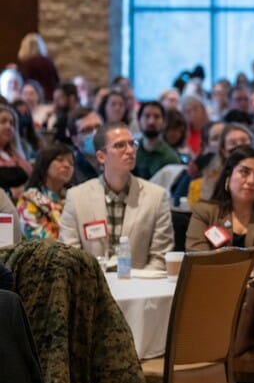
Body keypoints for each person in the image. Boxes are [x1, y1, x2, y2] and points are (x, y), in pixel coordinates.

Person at [59, 122, 173, 269]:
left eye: (132, 144)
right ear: (101, 157)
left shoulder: (156, 197)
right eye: (120, 145)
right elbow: (70, 258)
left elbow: (160, 258)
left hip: (141, 288)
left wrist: (136, 288)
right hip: (91, 288)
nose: (130, 150)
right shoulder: (76, 197)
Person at [185, 145, 254, 280]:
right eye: (244, 172)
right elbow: (197, 257)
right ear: (228, 177)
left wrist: (244, 279)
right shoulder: (205, 212)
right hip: (211, 287)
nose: (251, 181)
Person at [17, 144, 74, 239]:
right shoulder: (29, 199)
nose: (67, 165)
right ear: (45, 164)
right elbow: (38, 241)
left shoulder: (74, 197)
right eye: (60, 160)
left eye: (71, 163)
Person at [133, 101, 183, 180]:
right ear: (139, 121)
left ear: (164, 123)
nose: (151, 122)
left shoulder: (171, 158)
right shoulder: (131, 150)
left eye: (156, 117)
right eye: (147, 116)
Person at [16, 33, 60, 101]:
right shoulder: (48, 62)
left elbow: (25, 83)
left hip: (33, 99)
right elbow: (56, 81)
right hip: (51, 97)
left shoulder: (26, 64)